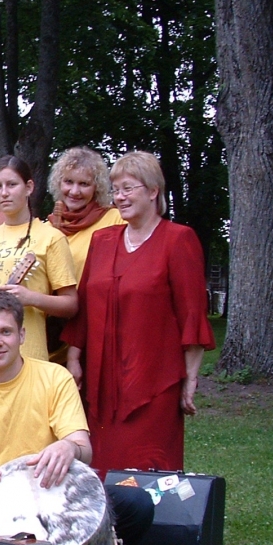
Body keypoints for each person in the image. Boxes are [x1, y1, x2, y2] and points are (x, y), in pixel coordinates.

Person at [0, 291, 153, 545]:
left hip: (57, 494)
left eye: (6, 332)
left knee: (137, 503)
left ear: (22, 335)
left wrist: (68, 448)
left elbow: (83, 449)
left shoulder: (55, 377)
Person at [63, 151, 216, 472]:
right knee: (102, 466)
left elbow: (192, 315)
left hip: (153, 379)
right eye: (116, 189)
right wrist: (74, 357)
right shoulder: (103, 240)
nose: (120, 197)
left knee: (148, 469)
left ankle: (152, 521)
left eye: (128, 188)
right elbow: (86, 304)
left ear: (152, 191)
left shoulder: (178, 240)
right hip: (100, 380)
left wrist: (190, 378)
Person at [0, 155, 77, 361]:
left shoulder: (50, 237)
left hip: (28, 355)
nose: (4, 193)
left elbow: (71, 305)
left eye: (12, 185)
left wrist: (31, 298)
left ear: (29, 187)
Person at [47, 147, 125, 278]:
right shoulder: (47, 228)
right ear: (58, 183)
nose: (74, 191)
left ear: (97, 187)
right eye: (68, 182)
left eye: (84, 184)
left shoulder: (117, 220)